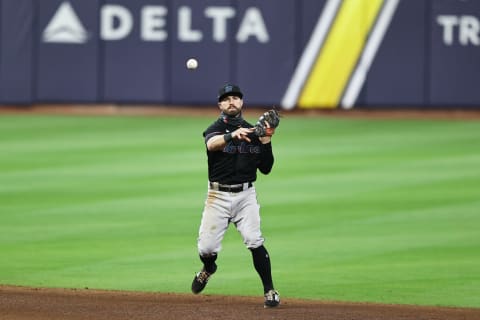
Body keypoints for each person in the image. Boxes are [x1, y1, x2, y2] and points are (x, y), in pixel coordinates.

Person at [191, 84, 280, 308]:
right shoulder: (216, 127)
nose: (232, 101)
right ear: (220, 104)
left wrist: (267, 139)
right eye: (227, 98)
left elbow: (266, 168)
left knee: (254, 240)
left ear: (242, 103)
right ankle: (209, 268)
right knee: (206, 249)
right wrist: (232, 135)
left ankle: (269, 290)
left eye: (236, 98)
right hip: (217, 197)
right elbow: (212, 144)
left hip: (245, 196)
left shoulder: (253, 131)